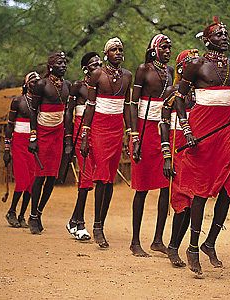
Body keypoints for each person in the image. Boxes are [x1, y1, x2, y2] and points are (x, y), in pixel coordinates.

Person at [174, 18, 230, 275]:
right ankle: (191, 248)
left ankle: (209, 242)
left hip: (225, 133)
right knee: (200, 191)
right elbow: (179, 100)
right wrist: (187, 129)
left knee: (228, 189)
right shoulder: (195, 65)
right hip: (201, 133)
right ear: (207, 39)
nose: (224, 36)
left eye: (226, 33)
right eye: (219, 34)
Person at [80, 38, 132, 248]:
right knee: (101, 176)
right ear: (106, 54)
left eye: (120, 49)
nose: (118, 52)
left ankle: (102, 222)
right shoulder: (97, 75)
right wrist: (85, 134)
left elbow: (127, 107)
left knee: (109, 178)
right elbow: (90, 106)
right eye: (113, 50)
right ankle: (97, 226)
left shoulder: (127, 76)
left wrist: (131, 134)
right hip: (99, 129)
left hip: (116, 129)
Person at [129, 34, 174, 257]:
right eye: (164, 47)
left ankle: (158, 239)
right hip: (144, 131)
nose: (168, 51)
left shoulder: (170, 71)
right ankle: (135, 241)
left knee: (166, 186)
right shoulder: (143, 69)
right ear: (155, 49)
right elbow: (133, 104)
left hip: (164, 131)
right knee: (143, 187)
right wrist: (134, 137)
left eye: (170, 48)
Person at [160, 49, 199, 267]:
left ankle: (182, 245)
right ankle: (173, 247)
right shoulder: (172, 92)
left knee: (195, 200)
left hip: (196, 148)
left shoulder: (202, 91)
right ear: (183, 68)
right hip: (177, 146)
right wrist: (167, 157)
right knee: (182, 200)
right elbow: (163, 124)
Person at [28, 52, 71, 234]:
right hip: (43, 133)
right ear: (50, 66)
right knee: (40, 176)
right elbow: (33, 111)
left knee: (52, 178)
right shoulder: (41, 85)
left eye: (65, 63)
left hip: (58, 134)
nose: (63, 66)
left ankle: (39, 213)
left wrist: (68, 139)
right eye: (59, 63)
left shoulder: (68, 85)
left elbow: (68, 113)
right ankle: (32, 216)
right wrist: (33, 137)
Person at [64, 52, 102, 240]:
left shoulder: (102, 86)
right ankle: (80, 224)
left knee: (94, 178)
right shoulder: (78, 86)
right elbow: (68, 114)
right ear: (86, 68)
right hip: (82, 136)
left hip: (99, 136)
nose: (98, 67)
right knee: (86, 178)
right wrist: (69, 141)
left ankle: (73, 219)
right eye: (94, 65)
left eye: (100, 64)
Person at [4, 71, 41, 228]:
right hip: (19, 144)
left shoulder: (41, 102)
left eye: (38, 82)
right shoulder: (18, 101)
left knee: (32, 183)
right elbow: (10, 125)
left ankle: (22, 215)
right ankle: (11, 211)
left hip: (33, 145)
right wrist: (7, 148)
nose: (36, 85)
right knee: (22, 181)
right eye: (33, 82)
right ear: (26, 85)